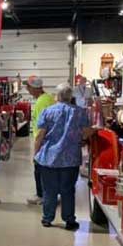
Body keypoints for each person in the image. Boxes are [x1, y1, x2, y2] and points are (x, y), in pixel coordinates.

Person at [34, 83, 94, 230]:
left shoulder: (48, 112)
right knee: (68, 190)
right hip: (70, 158)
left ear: (58, 96)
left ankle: (47, 218)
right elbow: (86, 132)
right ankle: (69, 220)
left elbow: (40, 135)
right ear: (70, 96)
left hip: (49, 158)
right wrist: (83, 136)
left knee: (49, 190)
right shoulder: (80, 112)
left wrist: (36, 153)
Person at [25, 76, 55, 205]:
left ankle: (41, 195)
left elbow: (42, 127)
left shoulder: (42, 102)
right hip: (48, 141)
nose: (28, 90)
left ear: (34, 88)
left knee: (40, 169)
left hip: (43, 141)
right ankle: (45, 193)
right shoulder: (48, 98)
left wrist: (36, 147)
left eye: (29, 88)